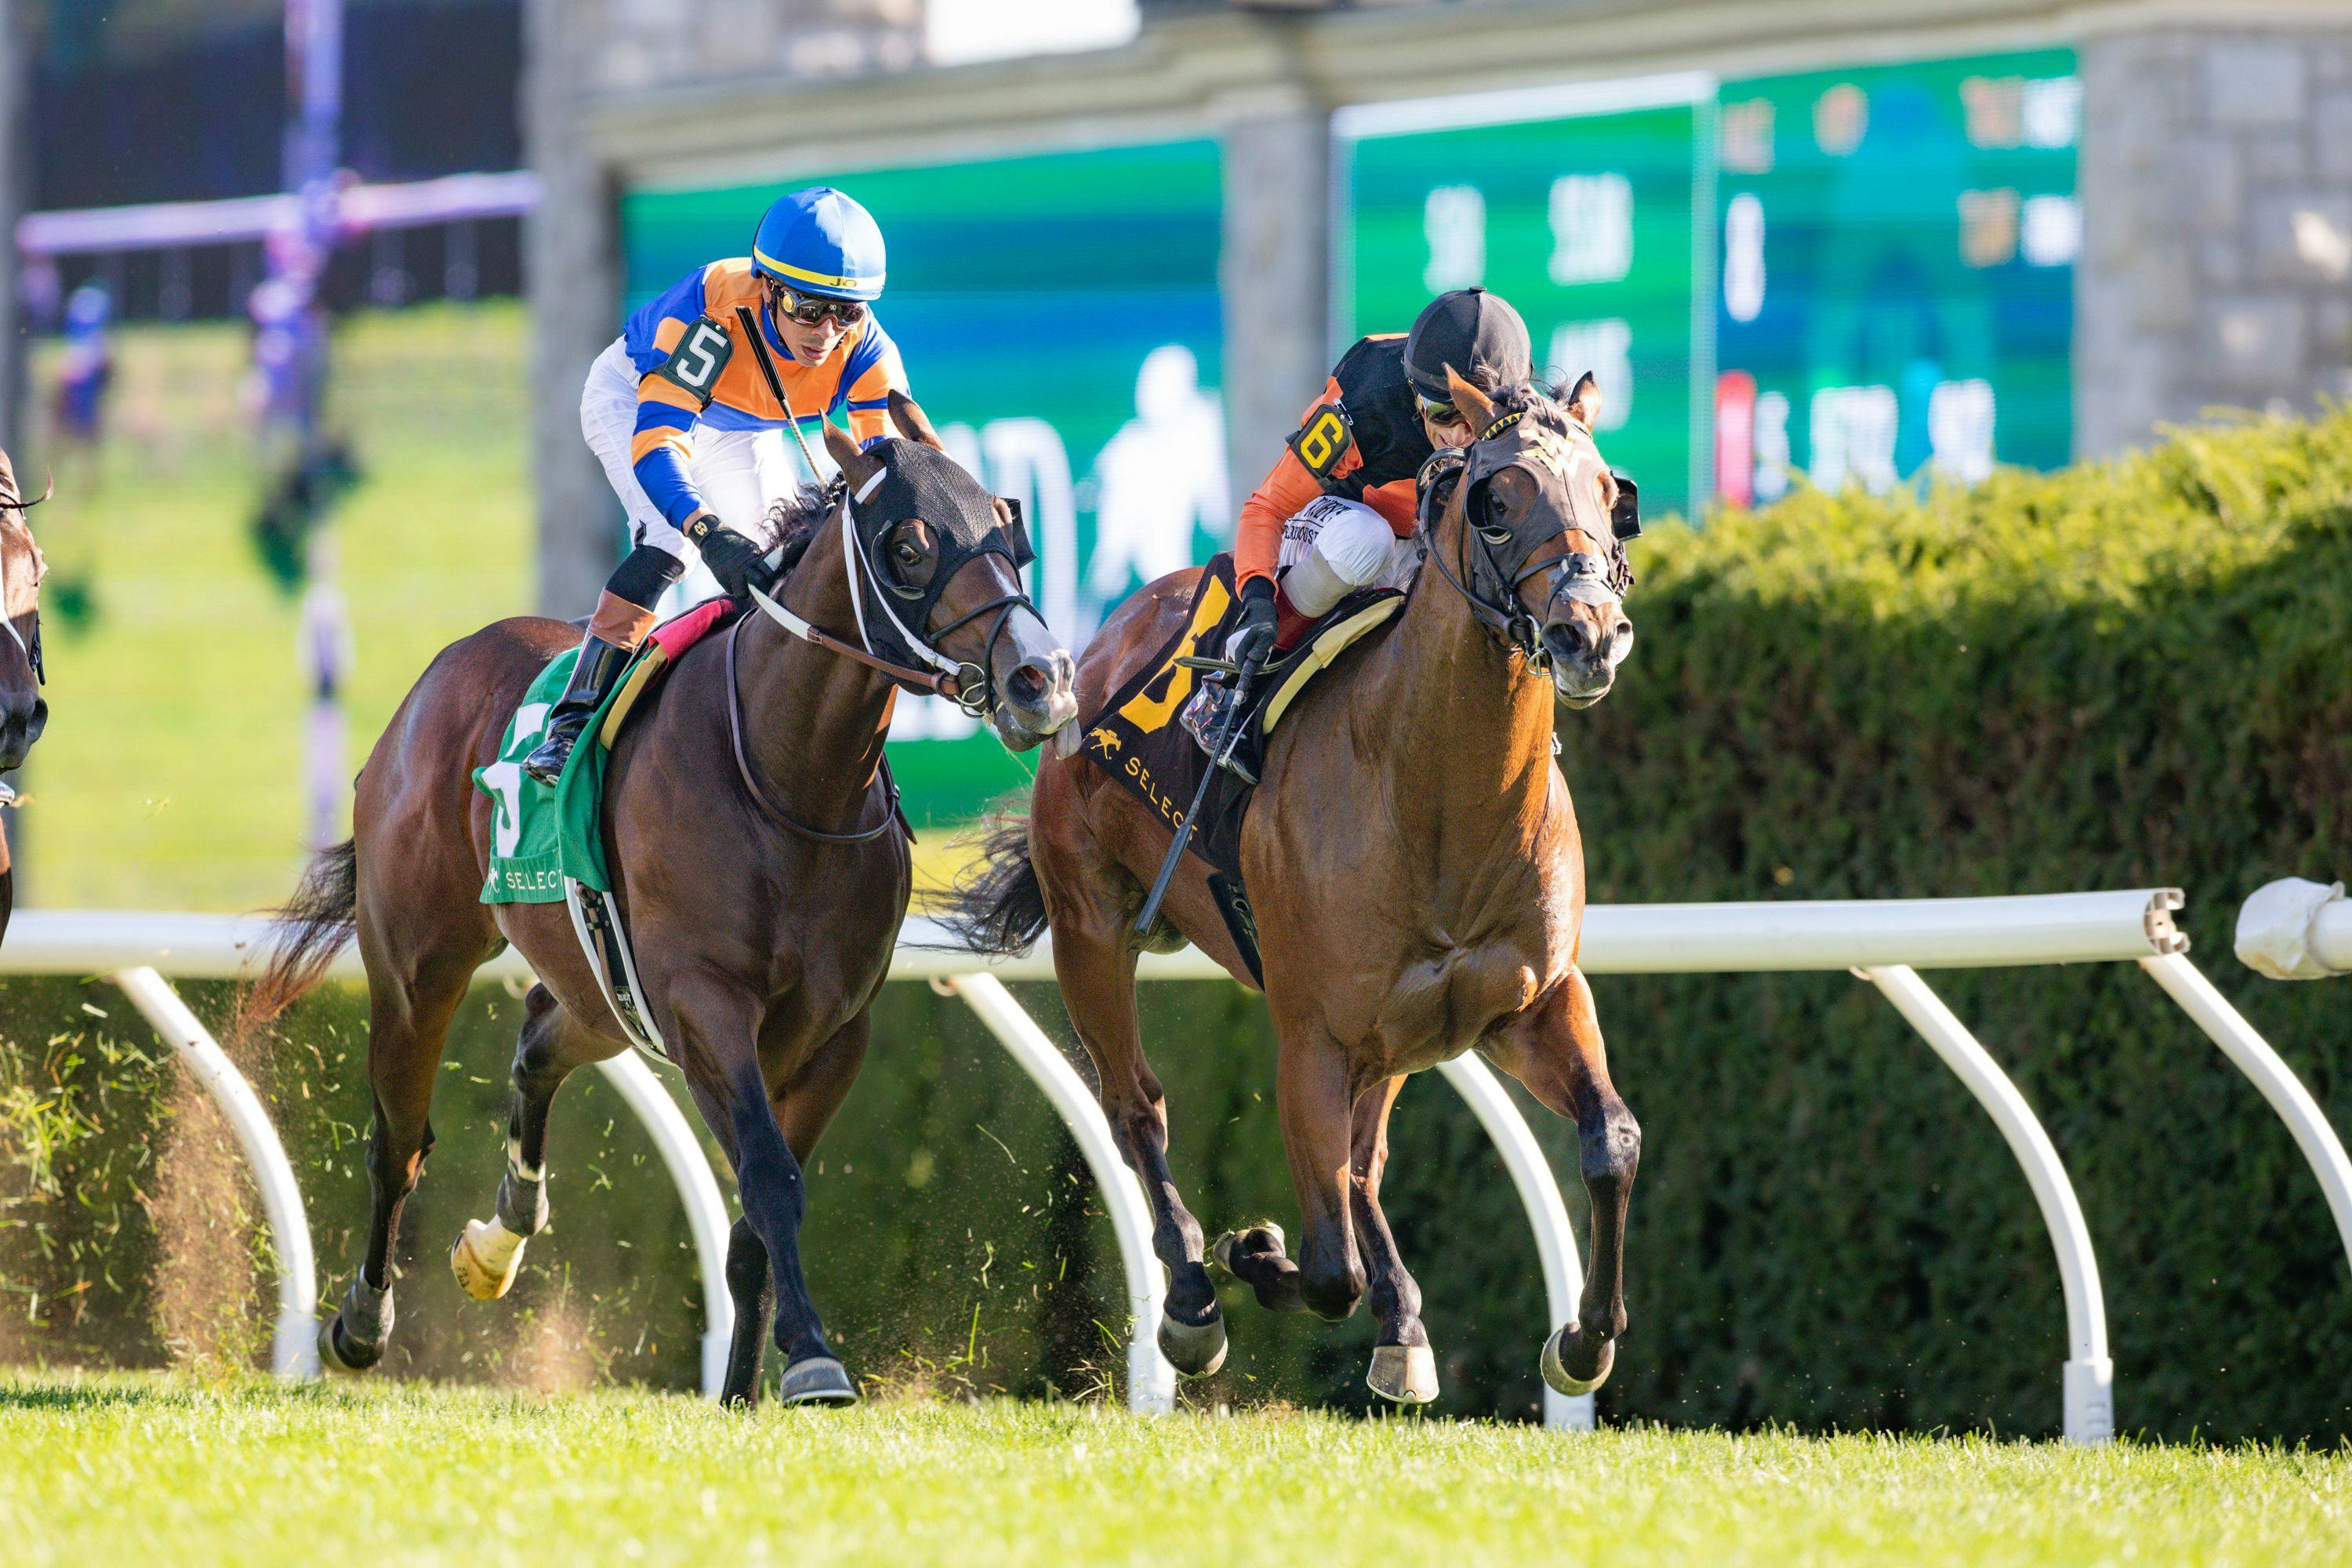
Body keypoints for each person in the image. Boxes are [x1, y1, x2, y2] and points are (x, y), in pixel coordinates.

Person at [525, 186, 915, 785]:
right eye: (809, 309)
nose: (828, 333)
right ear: (768, 288)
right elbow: (658, 446)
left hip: (742, 427)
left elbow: (887, 465)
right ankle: (572, 723)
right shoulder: (716, 320)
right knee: (671, 539)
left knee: (783, 564)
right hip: (636, 399)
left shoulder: (868, 350)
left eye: (848, 311)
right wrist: (708, 532)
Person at [1189, 287, 1534, 781]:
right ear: (1415, 393)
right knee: (1366, 541)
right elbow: (1267, 506)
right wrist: (1260, 602)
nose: (1461, 438)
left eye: (1476, 417)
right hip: (1337, 528)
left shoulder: (1525, 415)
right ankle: (1237, 695)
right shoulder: (1364, 401)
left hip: (1425, 540)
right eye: (1444, 415)